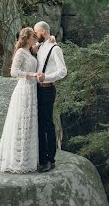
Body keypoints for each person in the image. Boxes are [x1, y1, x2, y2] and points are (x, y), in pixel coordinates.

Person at [0, 27, 55, 173]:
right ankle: (19, 160)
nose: (35, 39)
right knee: (22, 121)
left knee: (31, 123)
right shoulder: (21, 52)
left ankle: (31, 158)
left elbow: (43, 44)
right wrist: (31, 74)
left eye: (35, 37)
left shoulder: (31, 50)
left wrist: (51, 38)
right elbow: (13, 72)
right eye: (33, 37)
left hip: (33, 90)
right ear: (27, 38)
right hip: (24, 90)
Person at [34, 20, 68, 172]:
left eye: (36, 33)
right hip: (37, 90)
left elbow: (63, 71)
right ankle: (42, 159)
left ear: (43, 32)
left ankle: (50, 160)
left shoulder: (55, 49)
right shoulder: (40, 46)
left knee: (47, 125)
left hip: (48, 90)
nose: (35, 35)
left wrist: (46, 78)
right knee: (40, 125)